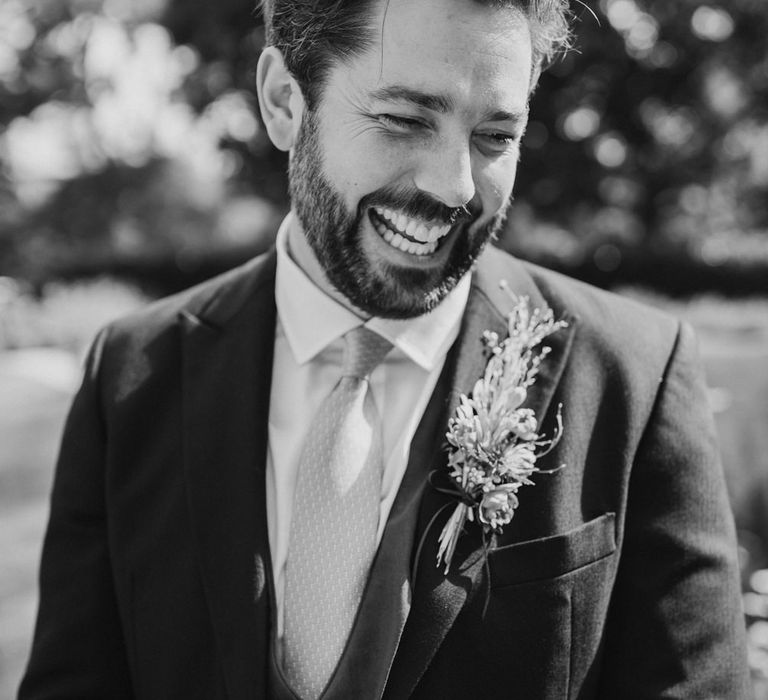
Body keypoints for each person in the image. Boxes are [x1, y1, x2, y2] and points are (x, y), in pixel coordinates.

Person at [20, 0, 751, 698]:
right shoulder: (129, 375)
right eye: (404, 118)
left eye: (496, 136)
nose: (456, 185)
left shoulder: (636, 376)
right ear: (283, 102)